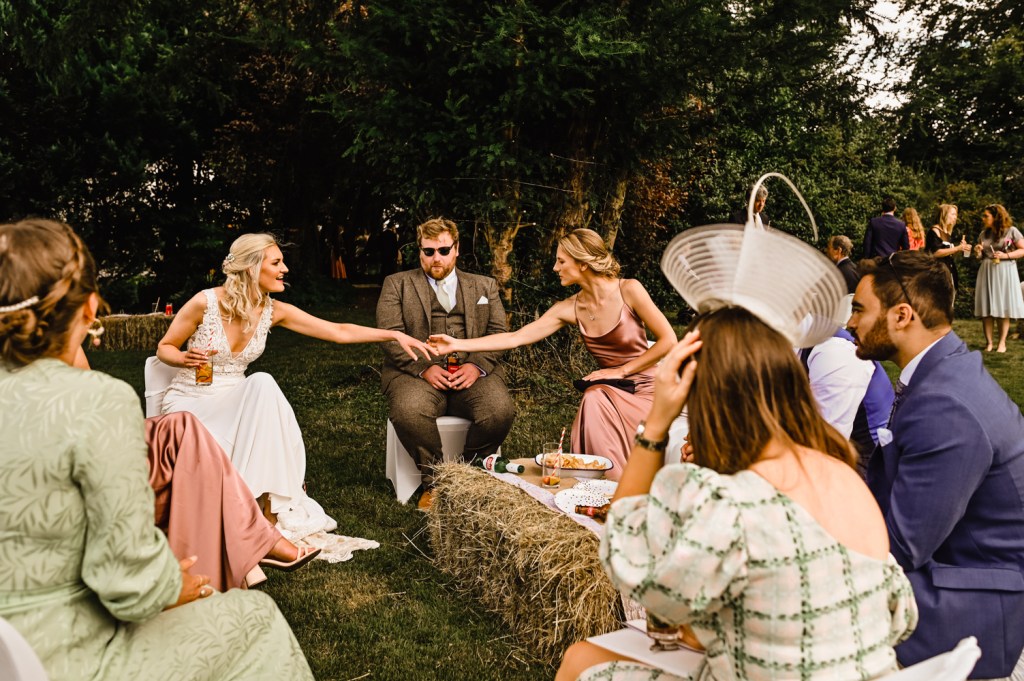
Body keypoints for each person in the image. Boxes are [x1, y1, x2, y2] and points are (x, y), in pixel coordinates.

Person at [0, 219, 314, 681]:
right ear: (90, 308)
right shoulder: (97, 402)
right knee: (258, 620)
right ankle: (247, 539)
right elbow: (128, 586)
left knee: (181, 432)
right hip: (55, 651)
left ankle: (251, 532)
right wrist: (174, 584)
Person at [557, 308, 917, 681]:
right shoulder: (845, 476)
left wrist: (656, 427)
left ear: (701, 394)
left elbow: (626, 557)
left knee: (580, 661)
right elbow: (901, 618)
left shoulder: (727, 501)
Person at [157, 232, 433, 546]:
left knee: (261, 384)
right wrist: (182, 357)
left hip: (237, 397)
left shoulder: (273, 311)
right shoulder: (204, 302)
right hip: (192, 399)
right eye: (276, 262)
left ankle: (266, 512)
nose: (285, 268)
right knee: (261, 385)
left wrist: (393, 336)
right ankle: (258, 513)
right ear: (251, 268)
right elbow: (165, 347)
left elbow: (338, 331)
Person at [848, 251, 1024, 679]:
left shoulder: (945, 404)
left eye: (858, 309)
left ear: (902, 315)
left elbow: (900, 547)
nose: (850, 323)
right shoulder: (942, 372)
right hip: (947, 566)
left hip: (973, 607)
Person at [431, 228, 677, 481]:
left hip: (647, 388)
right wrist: (456, 344)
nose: (555, 268)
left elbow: (669, 340)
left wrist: (621, 371)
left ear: (582, 263)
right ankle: (606, 489)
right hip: (609, 389)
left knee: (595, 398)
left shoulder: (629, 290)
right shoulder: (569, 308)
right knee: (594, 398)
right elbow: (515, 338)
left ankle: (615, 488)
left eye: (561, 261)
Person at [377, 217, 515, 508]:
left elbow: (498, 333)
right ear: (420, 251)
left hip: (473, 372)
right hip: (415, 372)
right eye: (428, 252)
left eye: (442, 250)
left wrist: (475, 365)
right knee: (408, 410)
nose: (435, 258)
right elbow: (390, 336)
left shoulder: (484, 285)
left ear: (456, 249)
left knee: (499, 411)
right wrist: (424, 368)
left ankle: (469, 475)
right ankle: (436, 480)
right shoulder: (397, 284)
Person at [971, 204, 1024, 352]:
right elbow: (980, 257)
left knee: (1003, 307)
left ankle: (1002, 343)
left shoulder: (1011, 231)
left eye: (986, 215)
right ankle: (989, 343)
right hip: (987, 271)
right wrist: (978, 252)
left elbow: (1022, 250)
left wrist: (1006, 255)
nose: (983, 218)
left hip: (1005, 271)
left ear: (996, 217)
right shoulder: (983, 234)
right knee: (987, 308)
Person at [925, 203, 970, 291]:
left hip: (949, 271)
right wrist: (957, 248)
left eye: (956, 215)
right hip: (937, 273)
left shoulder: (947, 233)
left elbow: (949, 255)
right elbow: (935, 253)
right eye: (953, 214)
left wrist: (961, 249)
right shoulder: (935, 230)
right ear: (944, 215)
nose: (955, 217)